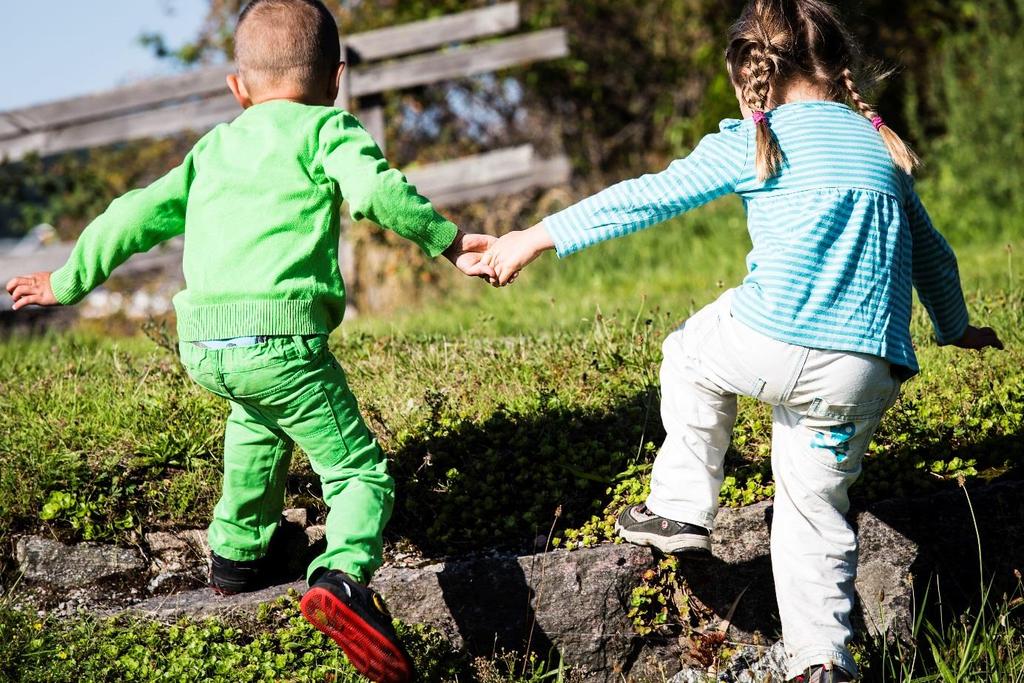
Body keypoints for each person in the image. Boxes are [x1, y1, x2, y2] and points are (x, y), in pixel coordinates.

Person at [481, 1, 1003, 681]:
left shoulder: (758, 135)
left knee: (690, 352)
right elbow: (934, 256)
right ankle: (822, 660)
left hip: (768, 339)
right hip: (865, 367)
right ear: (839, 67)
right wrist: (955, 327)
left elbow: (646, 196)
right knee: (815, 508)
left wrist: (532, 236)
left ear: (756, 71)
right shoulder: (880, 146)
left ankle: (679, 507)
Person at [5, 1, 496, 680]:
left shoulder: (213, 147)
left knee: (257, 420)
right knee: (357, 471)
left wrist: (68, 276)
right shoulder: (327, 128)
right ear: (337, 79)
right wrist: (447, 239)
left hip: (205, 344)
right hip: (283, 336)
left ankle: (236, 555)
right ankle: (343, 576)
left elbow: (133, 212)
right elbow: (378, 193)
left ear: (238, 88)